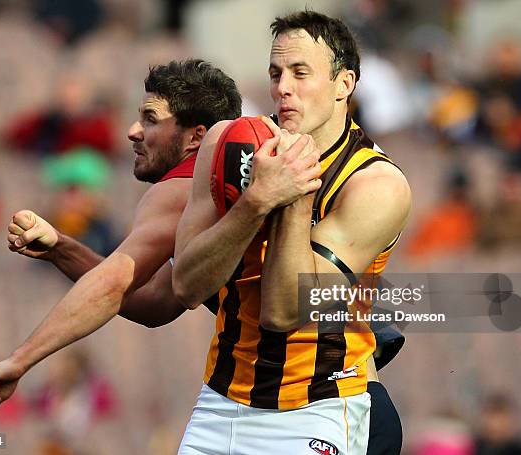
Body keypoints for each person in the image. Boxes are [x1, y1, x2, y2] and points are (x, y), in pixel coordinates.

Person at [172, 11, 411, 454]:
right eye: (276, 73)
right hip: (219, 402)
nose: (283, 87)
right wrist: (256, 202)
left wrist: (294, 195)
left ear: (345, 84)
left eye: (301, 73)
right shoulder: (226, 144)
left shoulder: (377, 185)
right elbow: (186, 285)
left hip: (316, 405)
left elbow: (285, 311)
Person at [0, 59, 242, 409]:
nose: (132, 130)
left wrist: (20, 360)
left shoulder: (177, 188)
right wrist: (60, 248)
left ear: (196, 137)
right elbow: (156, 301)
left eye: (150, 119)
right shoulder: (218, 184)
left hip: (294, 397)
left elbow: (115, 283)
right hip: (253, 392)